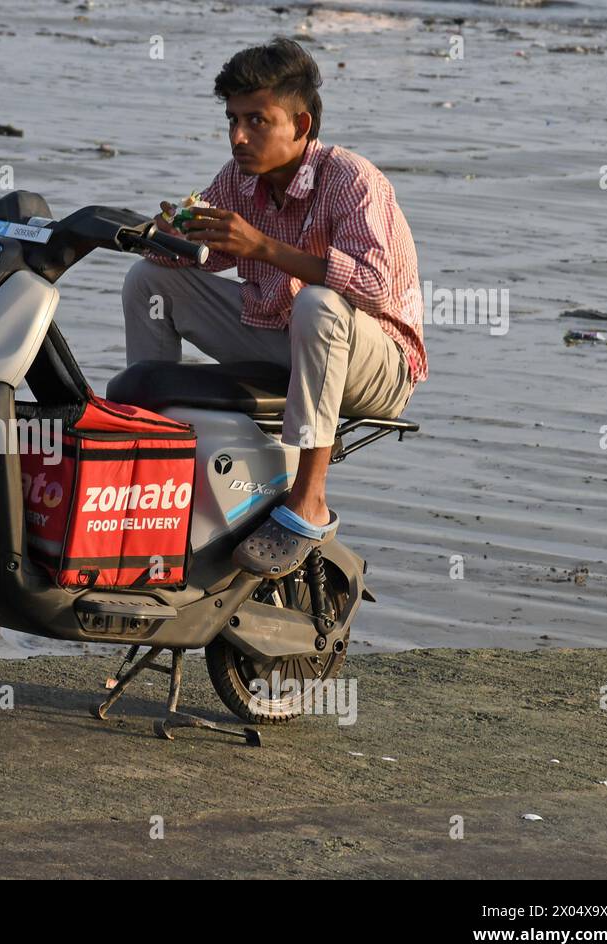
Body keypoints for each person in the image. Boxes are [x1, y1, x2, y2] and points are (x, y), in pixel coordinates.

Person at [122, 36, 427, 578]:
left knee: (319, 304)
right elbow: (195, 257)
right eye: (232, 120)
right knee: (148, 280)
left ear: (301, 125)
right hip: (284, 333)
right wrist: (163, 235)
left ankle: (309, 500)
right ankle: (151, 464)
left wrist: (263, 248)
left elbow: (376, 287)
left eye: (257, 121)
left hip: (379, 364)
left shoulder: (352, 180)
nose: (239, 137)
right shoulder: (239, 178)